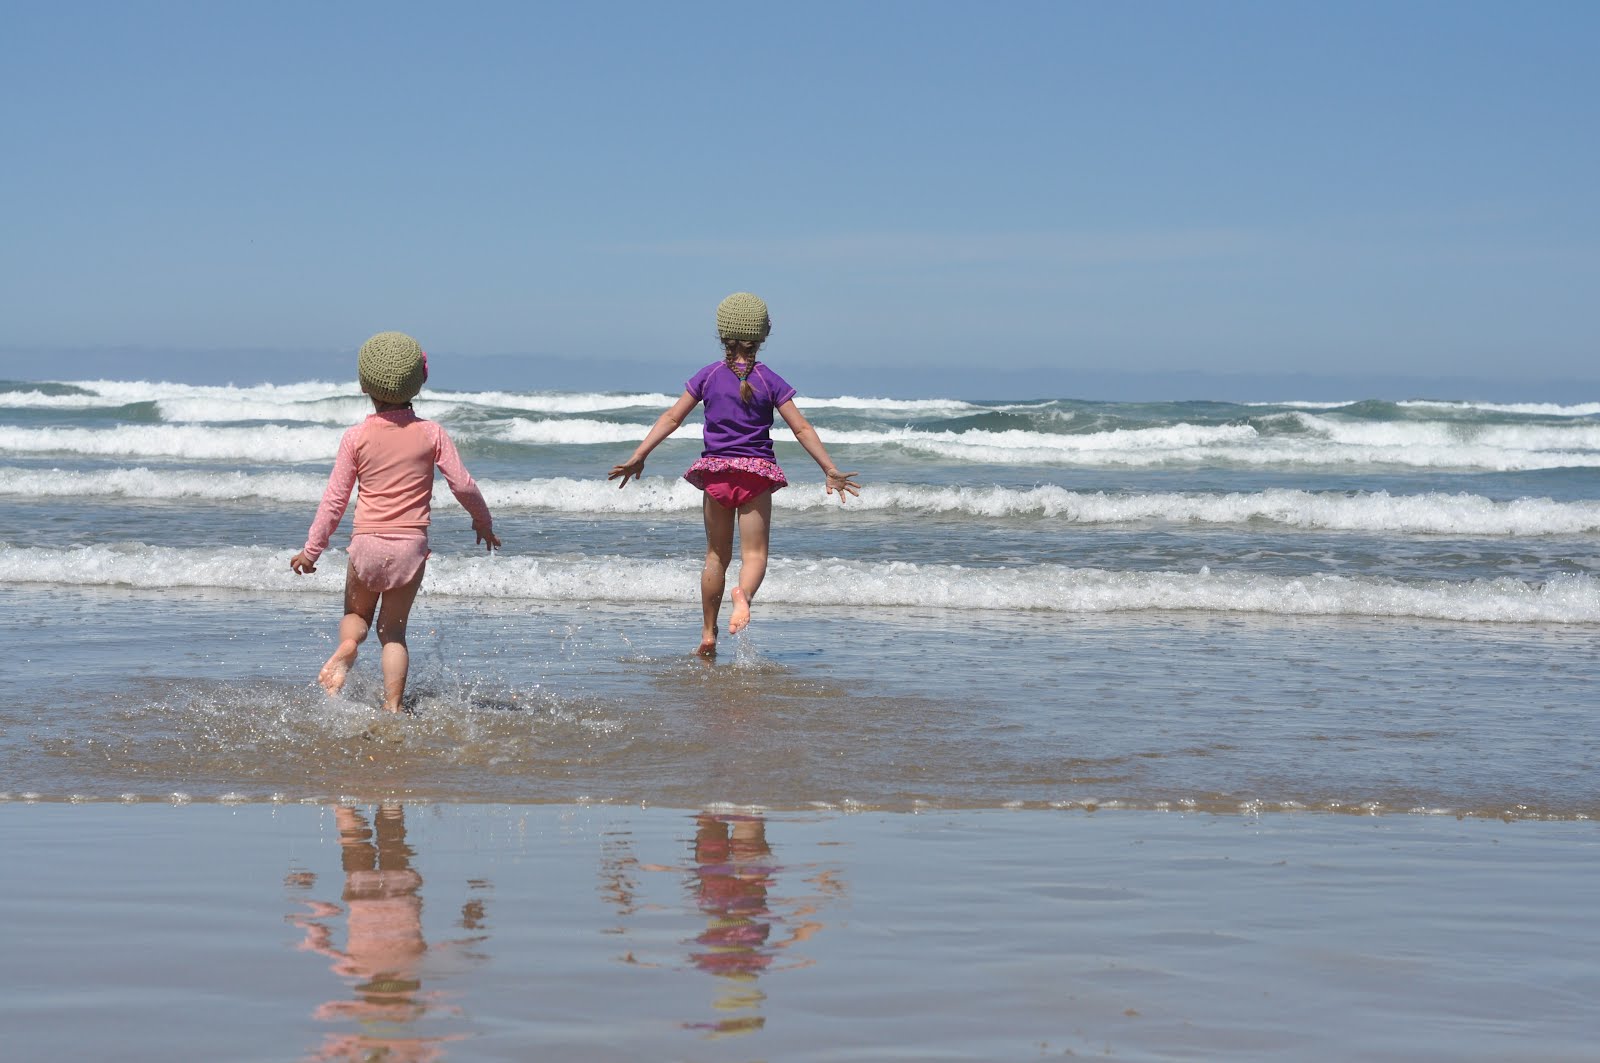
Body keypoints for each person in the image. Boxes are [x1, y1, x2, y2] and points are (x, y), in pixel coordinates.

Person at [608, 292, 859, 656]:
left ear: (722, 333)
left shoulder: (708, 375)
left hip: (716, 474)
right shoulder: (769, 380)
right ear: (763, 334)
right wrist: (829, 469)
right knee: (754, 555)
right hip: (756, 475)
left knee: (715, 557)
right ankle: (744, 597)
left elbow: (672, 418)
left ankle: (708, 633)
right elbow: (802, 428)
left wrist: (639, 455)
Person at [290, 331, 500, 711]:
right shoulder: (432, 433)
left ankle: (349, 645)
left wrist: (311, 550)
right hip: (409, 549)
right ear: (418, 384)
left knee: (356, 615)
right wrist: (482, 521)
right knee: (393, 633)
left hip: (366, 545)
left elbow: (335, 501)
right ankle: (393, 706)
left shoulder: (356, 437)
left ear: (363, 384)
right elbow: (463, 484)